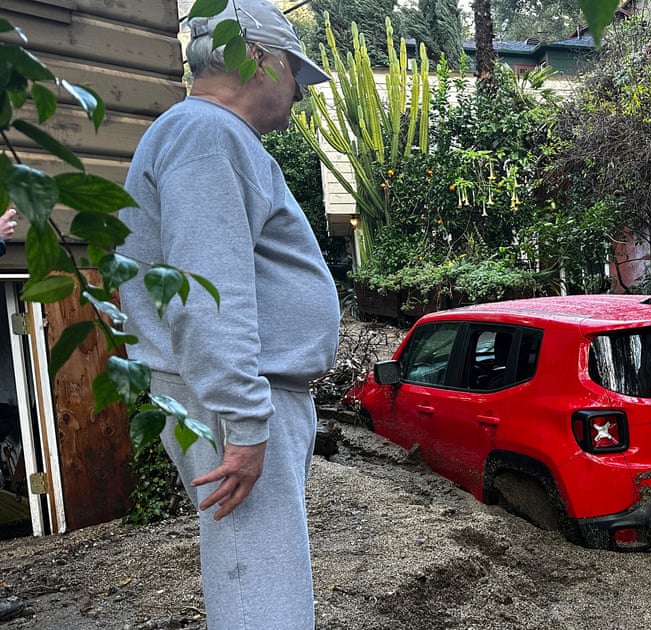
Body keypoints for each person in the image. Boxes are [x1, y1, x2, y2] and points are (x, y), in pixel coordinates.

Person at [116, 1, 340, 627]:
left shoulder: (202, 135)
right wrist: (243, 423)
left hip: (231, 389)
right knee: (260, 582)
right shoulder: (206, 134)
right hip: (234, 395)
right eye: (296, 72)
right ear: (259, 58)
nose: (299, 93)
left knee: (256, 568)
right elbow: (208, 291)